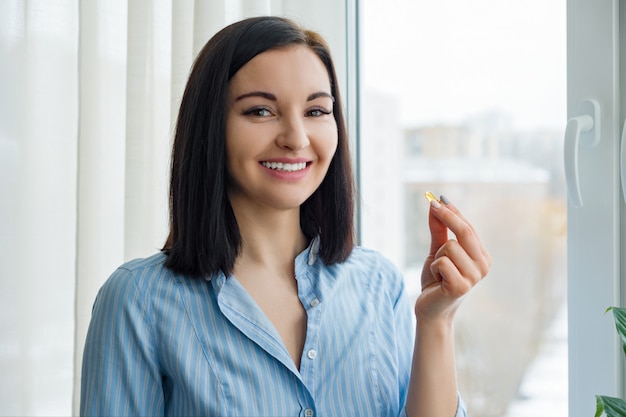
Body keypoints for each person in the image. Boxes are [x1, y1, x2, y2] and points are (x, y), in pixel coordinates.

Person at [80, 15, 490, 417]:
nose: (296, 138)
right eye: (260, 111)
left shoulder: (379, 286)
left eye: (316, 111)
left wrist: (436, 320)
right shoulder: (137, 301)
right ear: (210, 127)